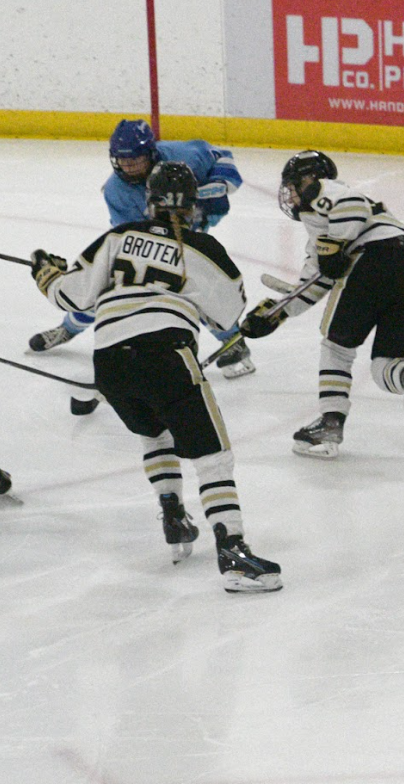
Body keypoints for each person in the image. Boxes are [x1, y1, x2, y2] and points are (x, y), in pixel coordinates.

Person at [28, 162, 281, 592]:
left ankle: (173, 514)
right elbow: (228, 314)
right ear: (193, 206)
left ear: (150, 201)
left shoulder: (119, 236)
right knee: (211, 454)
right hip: (165, 353)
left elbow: (71, 295)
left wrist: (46, 271)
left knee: (155, 432)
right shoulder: (202, 246)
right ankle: (233, 552)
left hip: (109, 362)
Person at [28, 119, 256, 381]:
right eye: (122, 161)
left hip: (196, 219)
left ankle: (233, 340)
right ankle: (68, 328)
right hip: (154, 229)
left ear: (151, 153)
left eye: (135, 160)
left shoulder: (185, 155)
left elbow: (224, 159)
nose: (128, 167)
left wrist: (215, 187)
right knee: (118, 279)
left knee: (190, 282)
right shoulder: (116, 191)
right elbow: (132, 237)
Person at [239, 150, 404, 459]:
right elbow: (316, 281)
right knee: (387, 363)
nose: (290, 195)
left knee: (337, 348)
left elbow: (353, 205)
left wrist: (335, 245)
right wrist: (278, 312)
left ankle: (331, 423)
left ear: (309, 180)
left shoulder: (325, 191)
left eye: (293, 185)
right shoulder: (321, 226)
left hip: (370, 261)